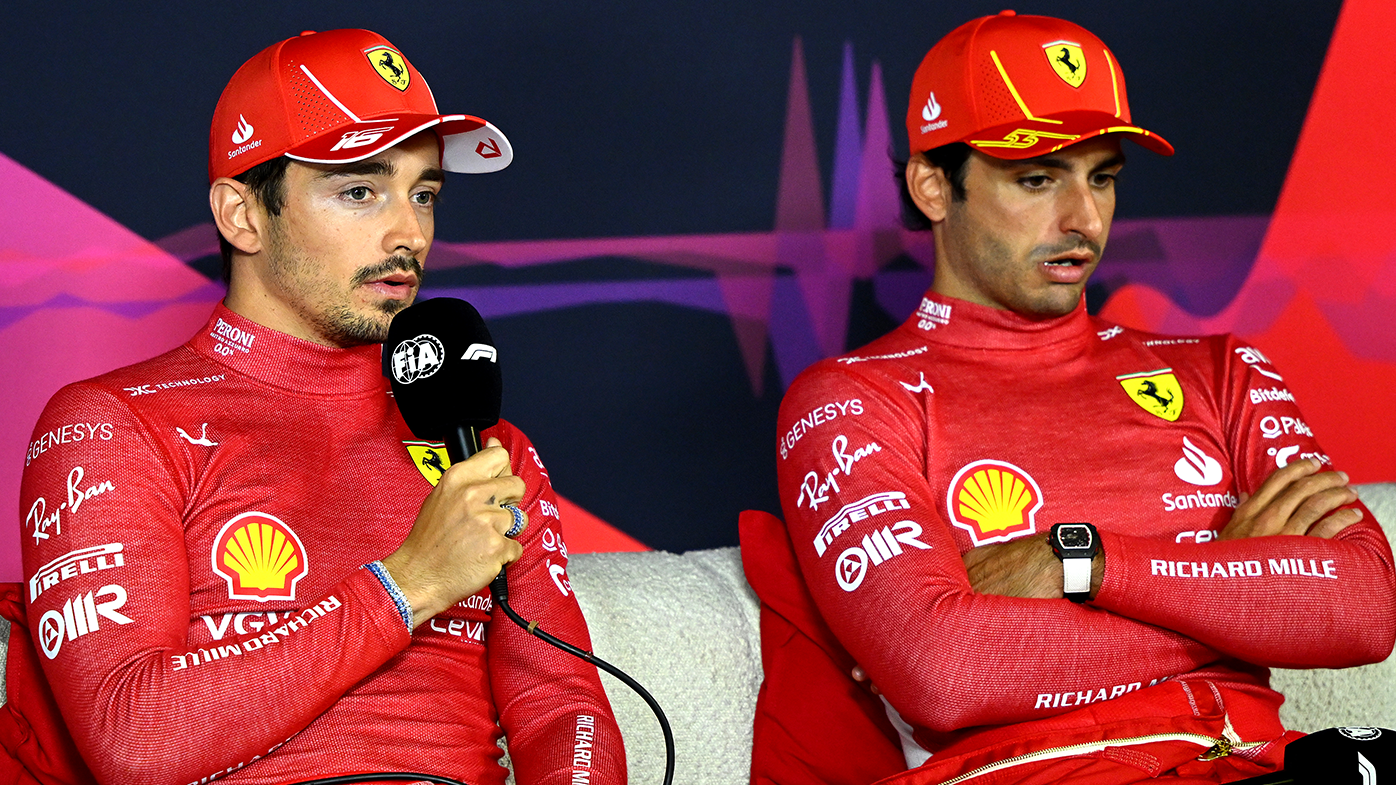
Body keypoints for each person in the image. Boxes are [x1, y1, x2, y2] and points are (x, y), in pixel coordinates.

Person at [742, 10, 1396, 785]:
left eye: (1103, 177)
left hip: (1266, 762)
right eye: (1037, 178)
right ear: (932, 187)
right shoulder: (852, 399)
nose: (1084, 219)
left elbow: (1363, 609)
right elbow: (947, 671)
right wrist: (1231, 582)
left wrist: (1083, 562)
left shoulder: (1222, 369)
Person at [18, 29, 625, 785]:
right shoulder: (111, 423)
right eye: (360, 190)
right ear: (242, 215)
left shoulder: (482, 442)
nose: (410, 233)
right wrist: (409, 583)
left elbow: (564, 711)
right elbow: (135, 741)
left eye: (424, 193)